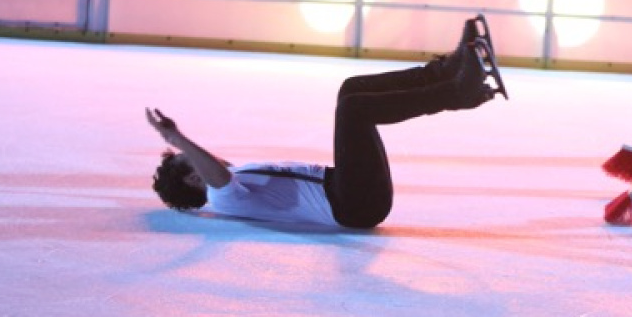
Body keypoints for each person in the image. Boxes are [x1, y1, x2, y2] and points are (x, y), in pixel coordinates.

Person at [147, 16, 508, 229]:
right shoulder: (223, 201)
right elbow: (219, 178)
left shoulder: (235, 183)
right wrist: (178, 140)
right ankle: (459, 92)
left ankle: (447, 72)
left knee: (350, 91)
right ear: (195, 178)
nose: (206, 156)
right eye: (190, 163)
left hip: (348, 189)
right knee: (354, 110)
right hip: (354, 205)